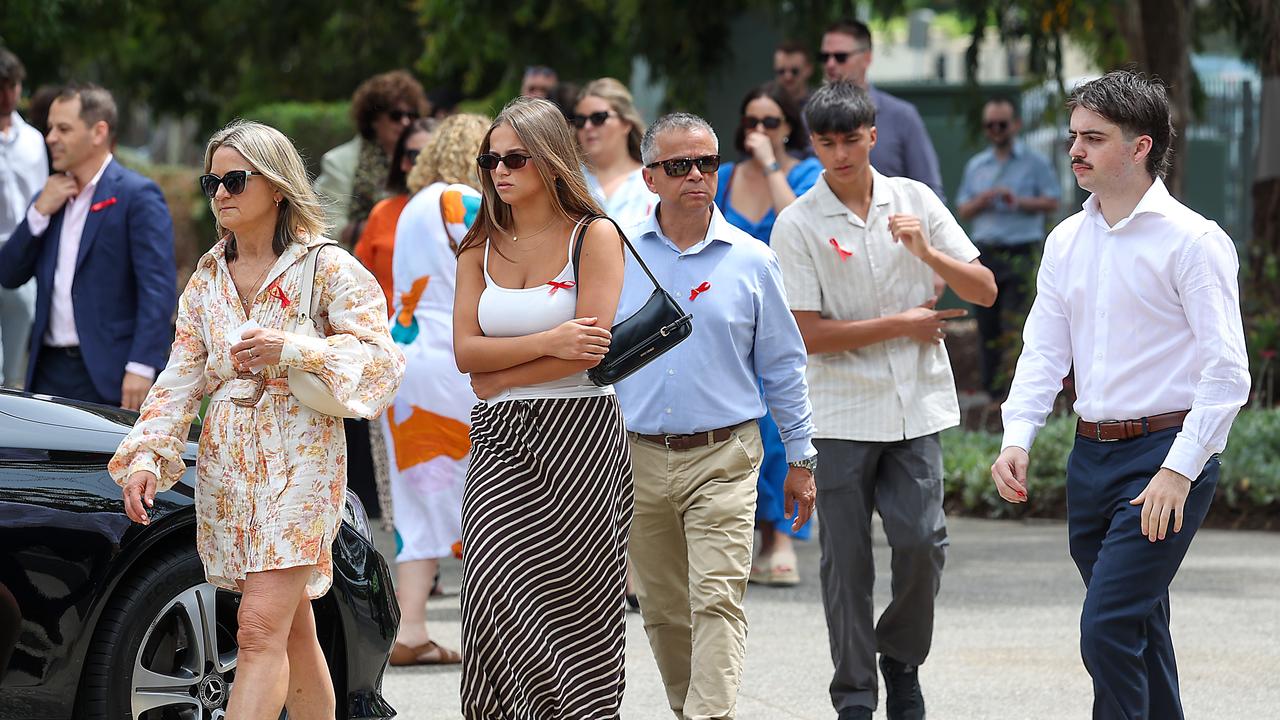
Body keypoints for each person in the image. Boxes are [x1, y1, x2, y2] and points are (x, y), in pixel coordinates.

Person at [110, 119, 404, 718]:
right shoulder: (206, 279)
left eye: (235, 179)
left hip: (301, 459)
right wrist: (146, 454)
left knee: (256, 629)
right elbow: (181, 376)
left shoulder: (326, 266)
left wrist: (293, 350)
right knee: (294, 631)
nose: (220, 192)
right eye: (211, 180)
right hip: (229, 469)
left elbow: (381, 359)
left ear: (276, 186)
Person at [991, 70, 1250, 720]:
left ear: (1140, 147)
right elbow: (1044, 352)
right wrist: (1017, 436)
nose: (1075, 150)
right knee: (1137, 627)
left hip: (1163, 456)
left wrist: (1177, 472)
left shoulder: (1194, 241)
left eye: (1094, 138)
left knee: (1105, 629)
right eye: (1074, 135)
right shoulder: (1066, 241)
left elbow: (1227, 373)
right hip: (1091, 460)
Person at [771, 81, 996, 720]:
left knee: (924, 543)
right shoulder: (798, 223)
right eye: (825, 142)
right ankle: (855, 698)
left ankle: (900, 658)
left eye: (851, 139)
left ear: (873, 133)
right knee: (846, 566)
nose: (839, 154)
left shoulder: (917, 200)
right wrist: (902, 323)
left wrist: (924, 250)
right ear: (811, 143)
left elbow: (982, 290)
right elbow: (808, 333)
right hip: (839, 413)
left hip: (915, 407)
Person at [616, 111, 817, 720]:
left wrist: (803, 457)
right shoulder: (614, 252)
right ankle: (691, 708)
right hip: (633, 457)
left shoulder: (752, 260)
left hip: (726, 455)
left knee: (719, 597)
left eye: (707, 163)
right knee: (664, 607)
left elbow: (784, 365)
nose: (697, 176)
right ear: (651, 177)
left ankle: (708, 715)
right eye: (679, 166)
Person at [451, 97, 630, 719]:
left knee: (578, 605)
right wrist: (546, 344)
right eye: (491, 158)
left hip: (582, 437)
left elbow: (592, 352)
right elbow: (467, 354)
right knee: (493, 585)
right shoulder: (478, 247)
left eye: (516, 158)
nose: (500, 170)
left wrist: (506, 372)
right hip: (501, 438)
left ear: (551, 161)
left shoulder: (596, 234)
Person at [382, 112, 489, 667]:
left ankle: (412, 627)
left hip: (407, 361)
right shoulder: (461, 202)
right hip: (452, 359)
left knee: (418, 499)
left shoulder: (414, 207)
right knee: (484, 492)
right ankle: (496, 633)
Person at [0, 84, 176, 409]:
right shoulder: (50, 196)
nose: (50, 137)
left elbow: (158, 289)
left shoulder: (137, 195)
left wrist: (141, 365)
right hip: (47, 372)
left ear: (98, 132)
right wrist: (38, 213)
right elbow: (8, 274)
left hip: (112, 373)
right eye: (50, 127)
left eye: (63, 128)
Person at [713, 82, 823, 587]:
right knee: (738, 422)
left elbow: (798, 224)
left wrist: (772, 163)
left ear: (788, 128)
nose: (759, 131)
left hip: (782, 308)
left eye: (771, 122)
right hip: (726, 313)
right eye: (751, 122)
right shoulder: (724, 176)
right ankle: (746, 534)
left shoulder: (802, 172)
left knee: (779, 428)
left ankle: (781, 538)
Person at [956, 97, 1060, 398]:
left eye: (1002, 124)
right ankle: (993, 394)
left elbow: (1052, 200)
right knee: (986, 326)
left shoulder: (1035, 162)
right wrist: (983, 200)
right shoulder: (976, 165)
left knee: (1018, 325)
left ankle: (1022, 393)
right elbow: (963, 208)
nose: (996, 130)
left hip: (1021, 252)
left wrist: (1019, 201)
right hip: (985, 253)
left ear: (1015, 125)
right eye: (990, 125)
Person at [820, 18, 944, 199]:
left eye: (841, 57)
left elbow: (929, 191)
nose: (830, 64)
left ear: (867, 57)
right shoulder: (808, 116)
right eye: (824, 57)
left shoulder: (902, 116)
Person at [314, 69, 428, 248]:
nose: (405, 122)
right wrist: (385, 226)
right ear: (374, 120)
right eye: (396, 116)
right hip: (358, 265)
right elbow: (327, 225)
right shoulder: (339, 162)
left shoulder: (425, 157)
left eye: (412, 115)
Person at [0, 49, 48, 388]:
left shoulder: (33, 141)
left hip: (21, 257)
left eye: (12, 85)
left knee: (17, 366)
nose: (6, 95)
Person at [355, 118, 437, 313]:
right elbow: (356, 282)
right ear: (403, 163)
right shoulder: (382, 212)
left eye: (431, 157)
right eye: (415, 156)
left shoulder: (463, 212)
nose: (423, 166)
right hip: (386, 331)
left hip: (443, 334)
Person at [575, 78, 658, 229]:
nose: (587, 126)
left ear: (626, 123)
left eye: (598, 118)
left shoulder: (654, 181)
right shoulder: (568, 182)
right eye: (580, 120)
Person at [773, 41, 815, 109]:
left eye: (794, 71)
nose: (788, 77)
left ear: (808, 69)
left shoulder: (821, 105)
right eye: (781, 71)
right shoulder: (767, 105)